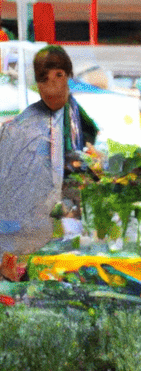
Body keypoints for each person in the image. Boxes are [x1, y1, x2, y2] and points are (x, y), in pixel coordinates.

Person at [0, 45, 98, 254]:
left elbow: (88, 138)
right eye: (45, 78)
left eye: (58, 75)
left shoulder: (72, 110)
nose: (53, 82)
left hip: (61, 204)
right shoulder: (27, 120)